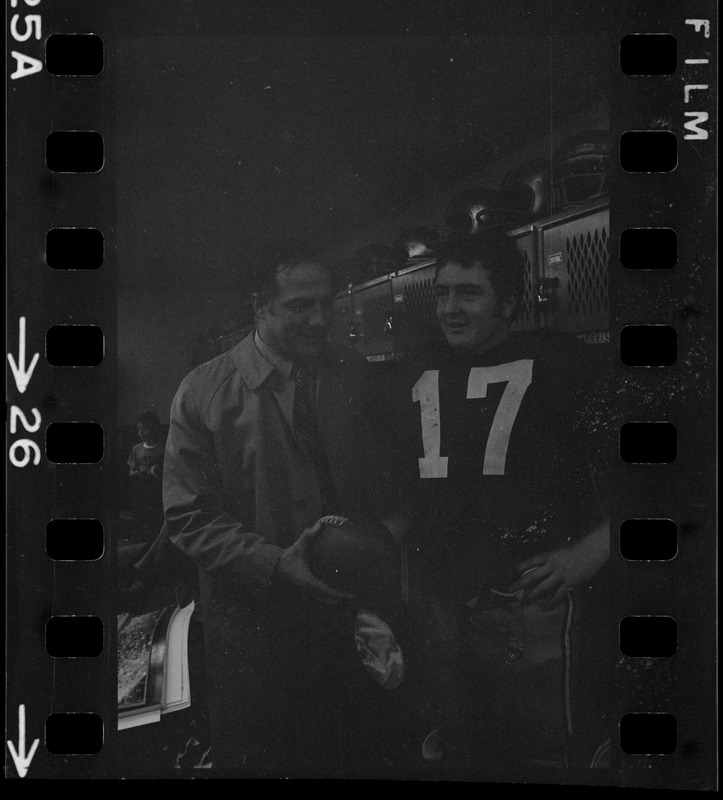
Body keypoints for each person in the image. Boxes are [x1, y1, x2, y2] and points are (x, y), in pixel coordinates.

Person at [162, 240, 398, 777]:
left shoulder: (354, 373)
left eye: (327, 303)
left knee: (349, 751)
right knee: (265, 757)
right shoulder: (203, 392)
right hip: (253, 627)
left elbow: (389, 479)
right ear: (260, 307)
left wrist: (383, 536)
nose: (319, 319)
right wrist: (274, 564)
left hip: (345, 613)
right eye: (299, 306)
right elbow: (187, 516)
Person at [384, 231, 613, 774]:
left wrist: (592, 551)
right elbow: (415, 488)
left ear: (509, 303)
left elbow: (656, 469)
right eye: (441, 293)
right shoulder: (412, 370)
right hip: (443, 600)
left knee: (547, 752)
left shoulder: (566, 363)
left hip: (530, 602)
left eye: (468, 294)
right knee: (465, 746)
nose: (449, 309)